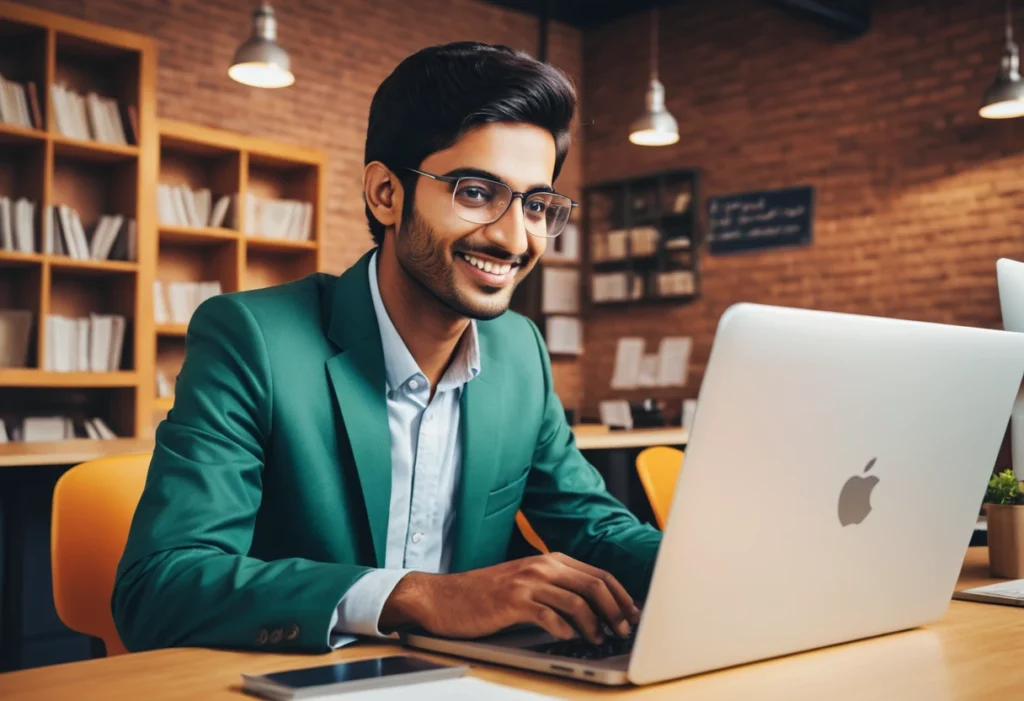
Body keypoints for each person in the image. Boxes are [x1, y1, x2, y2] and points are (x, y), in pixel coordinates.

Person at [112, 41, 661, 653]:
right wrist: (423, 596)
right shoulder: (252, 338)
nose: (514, 239)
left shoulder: (519, 353)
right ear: (385, 194)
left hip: (477, 683)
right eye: (476, 192)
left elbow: (596, 530)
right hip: (298, 681)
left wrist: (721, 573)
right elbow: (159, 586)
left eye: (536, 205)